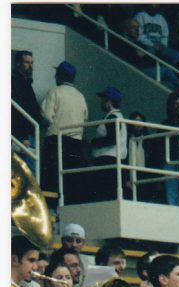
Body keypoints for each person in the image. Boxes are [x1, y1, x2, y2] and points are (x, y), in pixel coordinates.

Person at [40, 61, 88, 196]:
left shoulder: (54, 92)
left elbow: (46, 115)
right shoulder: (80, 96)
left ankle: (52, 208)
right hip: (76, 143)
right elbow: (85, 118)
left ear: (60, 76)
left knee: (50, 180)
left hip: (56, 141)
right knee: (71, 180)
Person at [90, 85, 127, 202]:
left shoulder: (113, 117)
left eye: (103, 100)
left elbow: (112, 139)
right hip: (114, 159)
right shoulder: (118, 117)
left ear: (108, 102)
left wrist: (93, 142)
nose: (101, 103)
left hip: (108, 159)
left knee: (105, 194)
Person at [12, 49, 41, 149]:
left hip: (30, 133)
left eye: (32, 62)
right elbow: (17, 111)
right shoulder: (16, 82)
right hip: (23, 136)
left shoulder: (27, 83)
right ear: (18, 63)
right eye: (27, 62)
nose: (30, 66)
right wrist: (24, 136)